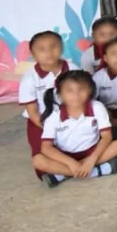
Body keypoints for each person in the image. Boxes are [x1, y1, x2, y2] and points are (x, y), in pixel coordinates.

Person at [32, 70, 117, 188]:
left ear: (90, 91)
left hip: (92, 151)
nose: (76, 95)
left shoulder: (97, 107)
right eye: (69, 91)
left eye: (81, 89)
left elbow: (107, 137)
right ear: (60, 94)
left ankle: (63, 174)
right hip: (64, 156)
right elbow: (46, 148)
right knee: (37, 161)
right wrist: (70, 163)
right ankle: (97, 171)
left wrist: (91, 160)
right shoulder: (54, 116)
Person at [19, 31, 70, 172]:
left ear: (62, 48)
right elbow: (33, 111)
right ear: (33, 54)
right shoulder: (29, 78)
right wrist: (49, 129)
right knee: (41, 158)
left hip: (71, 119)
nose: (49, 52)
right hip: (40, 123)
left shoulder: (73, 69)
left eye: (54, 46)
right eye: (41, 49)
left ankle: (62, 172)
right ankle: (84, 170)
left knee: (78, 149)